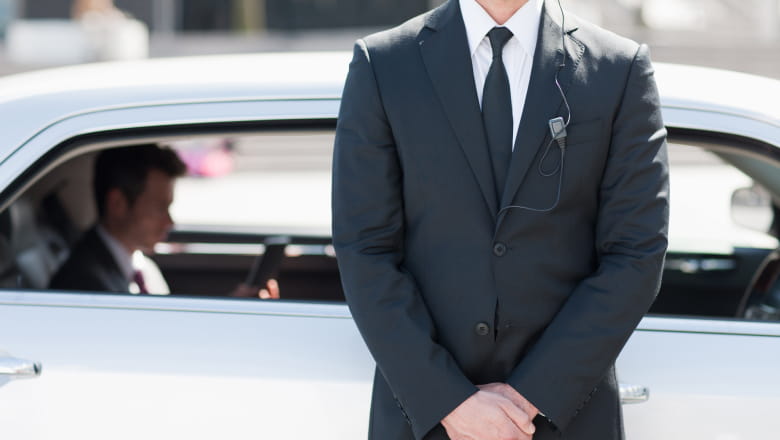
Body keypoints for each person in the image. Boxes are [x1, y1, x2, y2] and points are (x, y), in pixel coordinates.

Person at [331, 0, 669, 439]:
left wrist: (528, 399)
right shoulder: (384, 63)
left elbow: (636, 251)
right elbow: (364, 247)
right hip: (427, 420)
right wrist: (448, 400)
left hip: (563, 417)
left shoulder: (619, 68)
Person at [49, 144, 279, 299]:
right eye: (160, 208)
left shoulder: (139, 265)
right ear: (118, 204)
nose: (169, 222)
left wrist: (231, 308)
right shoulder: (84, 286)